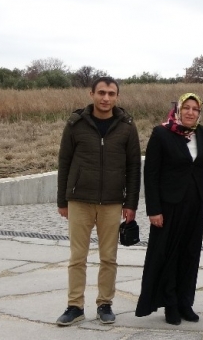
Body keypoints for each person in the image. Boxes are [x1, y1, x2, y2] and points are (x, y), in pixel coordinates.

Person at [56, 76, 141, 326]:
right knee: (77, 257)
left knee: (109, 257)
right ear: (91, 94)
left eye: (111, 94)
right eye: (101, 92)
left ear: (117, 97)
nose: (106, 98)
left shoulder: (126, 125)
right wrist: (63, 200)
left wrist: (131, 204)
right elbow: (64, 162)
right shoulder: (75, 123)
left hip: (113, 202)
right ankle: (75, 306)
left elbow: (134, 167)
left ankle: (105, 303)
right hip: (79, 200)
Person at [135, 93, 203, 325]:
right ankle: (169, 303)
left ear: (200, 113)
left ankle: (184, 303)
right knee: (168, 254)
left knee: (190, 253)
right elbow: (150, 174)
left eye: (195, 109)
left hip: (196, 203)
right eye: (186, 108)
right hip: (168, 206)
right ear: (178, 110)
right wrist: (153, 209)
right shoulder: (162, 133)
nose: (190, 112)